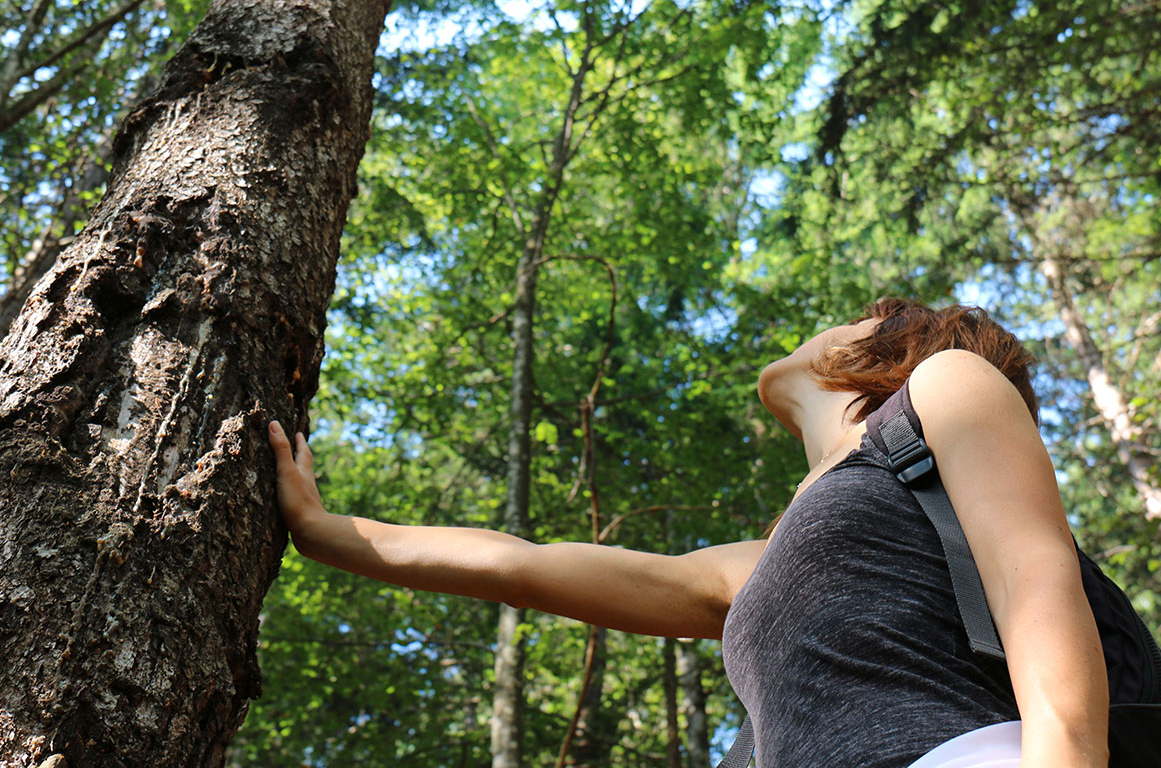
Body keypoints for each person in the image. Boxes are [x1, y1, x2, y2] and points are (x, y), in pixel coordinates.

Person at [270, 298, 1112, 768]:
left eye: (862, 311)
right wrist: (326, 530)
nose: (830, 320)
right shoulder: (763, 564)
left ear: (889, 343)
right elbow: (524, 567)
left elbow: (1034, 576)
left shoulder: (948, 384)